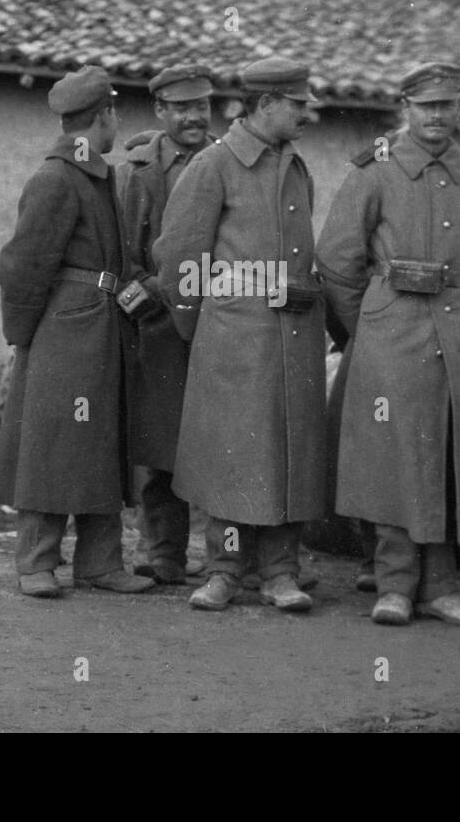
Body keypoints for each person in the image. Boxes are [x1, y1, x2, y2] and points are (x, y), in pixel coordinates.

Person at [317, 63, 460, 627]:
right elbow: (336, 259)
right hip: (391, 331)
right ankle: (394, 585)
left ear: (459, 111)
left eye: (448, 105)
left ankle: (442, 587)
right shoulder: (376, 171)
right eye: (427, 106)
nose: (438, 116)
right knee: (396, 455)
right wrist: (368, 322)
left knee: (451, 455)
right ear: (406, 108)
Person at [154, 57, 327, 613]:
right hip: (235, 334)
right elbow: (179, 258)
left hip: (294, 333)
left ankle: (280, 573)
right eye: (298, 104)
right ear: (266, 104)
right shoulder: (214, 165)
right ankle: (224, 570)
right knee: (232, 453)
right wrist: (205, 327)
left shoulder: (296, 166)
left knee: (288, 451)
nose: (308, 113)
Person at [0, 66, 155, 599]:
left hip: (106, 325)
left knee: (103, 441)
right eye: (115, 113)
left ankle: (100, 563)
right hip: (63, 333)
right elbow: (22, 266)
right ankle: (36, 561)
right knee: (53, 442)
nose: (117, 122)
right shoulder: (55, 178)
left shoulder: (96, 173)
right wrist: (25, 337)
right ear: (103, 116)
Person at [117, 64, 217, 585]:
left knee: (227, 445)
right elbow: (125, 252)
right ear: (160, 111)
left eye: (201, 106)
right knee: (160, 447)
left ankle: (232, 560)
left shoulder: (228, 163)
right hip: (159, 325)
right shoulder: (138, 172)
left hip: (220, 324)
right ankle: (164, 554)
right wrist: (151, 292)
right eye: (182, 109)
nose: (194, 117)